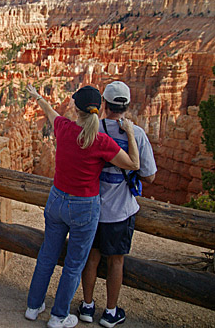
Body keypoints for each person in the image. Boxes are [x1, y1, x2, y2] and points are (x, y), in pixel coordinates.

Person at [24, 84, 140, 328]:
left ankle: (33, 307)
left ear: (75, 109)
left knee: (47, 255)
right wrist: (129, 132)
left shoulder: (65, 129)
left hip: (56, 200)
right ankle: (58, 316)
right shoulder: (101, 141)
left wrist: (38, 98)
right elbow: (133, 164)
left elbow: (51, 114)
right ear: (99, 110)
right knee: (74, 264)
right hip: (84, 208)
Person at [78, 81, 157, 328]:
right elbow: (149, 175)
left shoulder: (93, 128)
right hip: (121, 212)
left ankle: (87, 307)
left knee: (91, 258)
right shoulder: (138, 135)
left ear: (105, 103)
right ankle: (110, 312)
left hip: (93, 208)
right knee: (116, 261)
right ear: (127, 105)